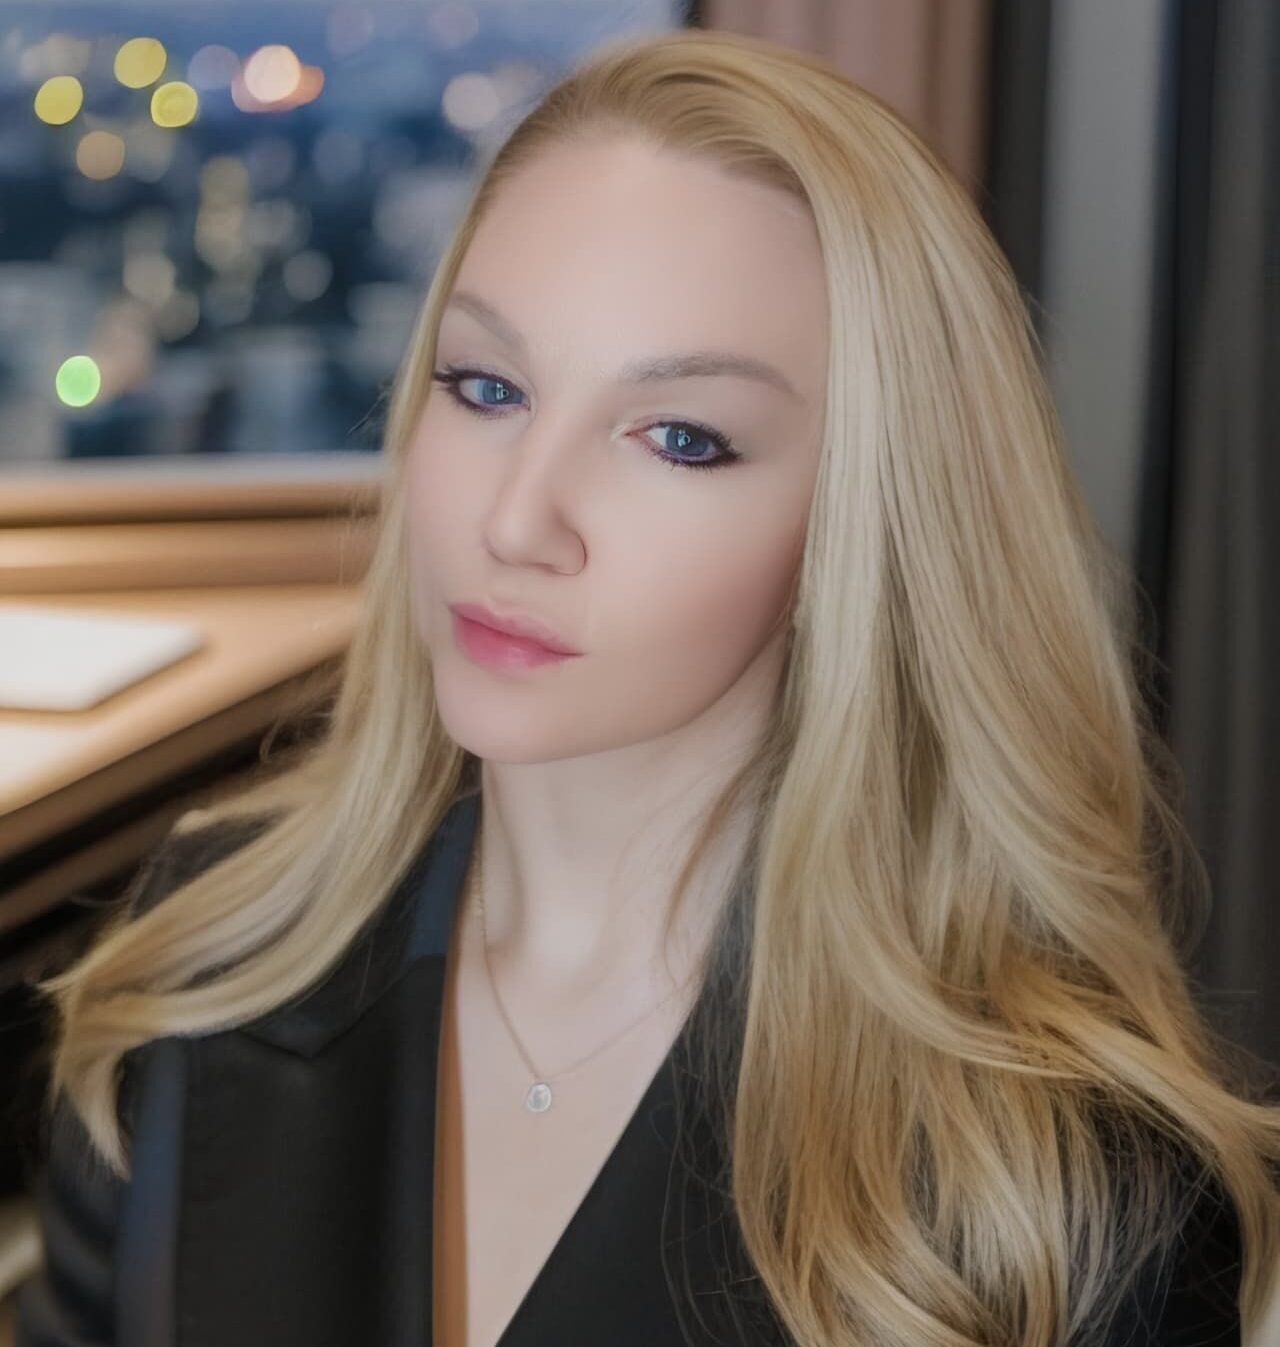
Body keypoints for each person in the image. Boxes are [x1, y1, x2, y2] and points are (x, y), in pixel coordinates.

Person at [16, 27, 1280, 1347]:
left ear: (864, 523)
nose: (518, 520)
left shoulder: (1063, 1194)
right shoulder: (207, 956)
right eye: (486, 386)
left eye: (679, 438)